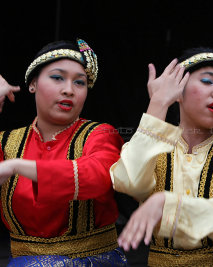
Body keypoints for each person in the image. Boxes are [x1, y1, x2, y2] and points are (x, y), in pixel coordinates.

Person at [110, 45, 213, 266]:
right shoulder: (155, 147)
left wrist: (168, 205)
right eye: (208, 81)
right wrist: (158, 104)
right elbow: (130, 182)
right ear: (178, 91)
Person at [0, 38, 127, 266]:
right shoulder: (7, 142)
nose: (68, 90)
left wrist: (18, 166)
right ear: (33, 84)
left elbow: (98, 177)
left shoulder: (100, 135)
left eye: (79, 83)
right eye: (57, 78)